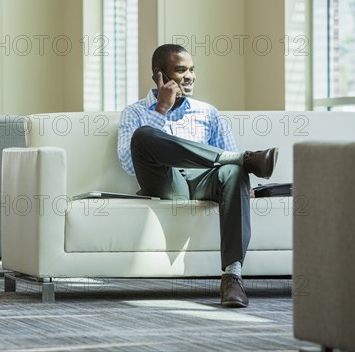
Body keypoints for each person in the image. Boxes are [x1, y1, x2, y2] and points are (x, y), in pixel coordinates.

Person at [117, 44, 278, 308]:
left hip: (205, 180)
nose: (190, 76)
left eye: (192, 69)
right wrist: (161, 110)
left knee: (234, 169)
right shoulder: (135, 112)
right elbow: (128, 163)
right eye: (181, 70)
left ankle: (232, 277)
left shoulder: (208, 112)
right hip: (166, 182)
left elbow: (229, 173)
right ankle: (243, 158)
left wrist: (237, 180)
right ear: (159, 75)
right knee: (143, 135)